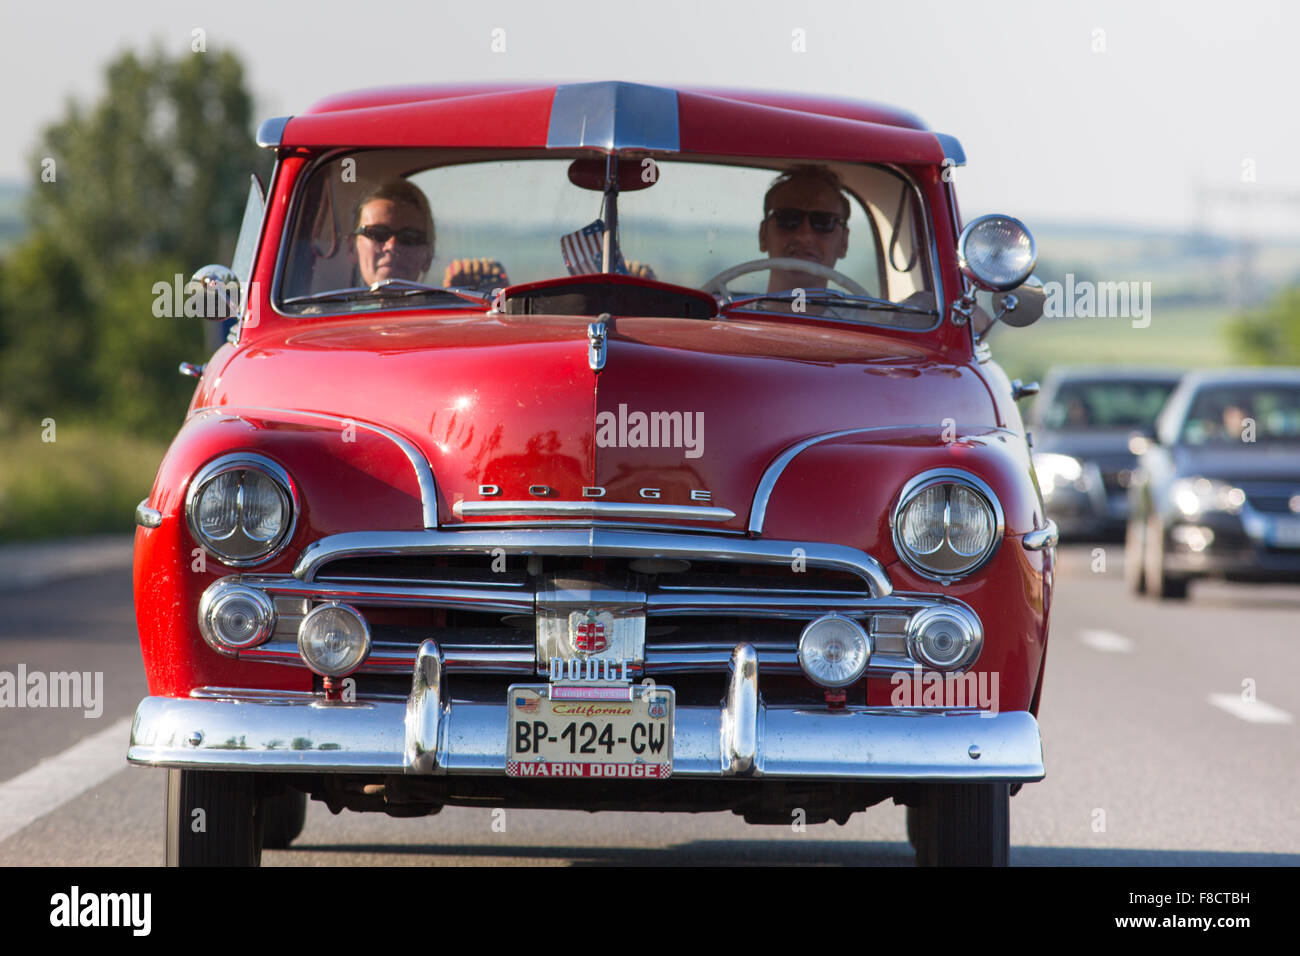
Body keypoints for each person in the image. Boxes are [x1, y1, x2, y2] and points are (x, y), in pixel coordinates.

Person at [757, 165, 851, 294]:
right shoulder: (723, 313)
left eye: (823, 222)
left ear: (844, 242)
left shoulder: (869, 315)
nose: (804, 236)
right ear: (763, 235)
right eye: (788, 218)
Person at [348, 180, 435, 285]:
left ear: (428, 256)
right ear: (352, 247)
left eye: (409, 237)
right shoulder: (326, 300)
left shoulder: (454, 301)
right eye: (377, 234)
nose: (392, 246)